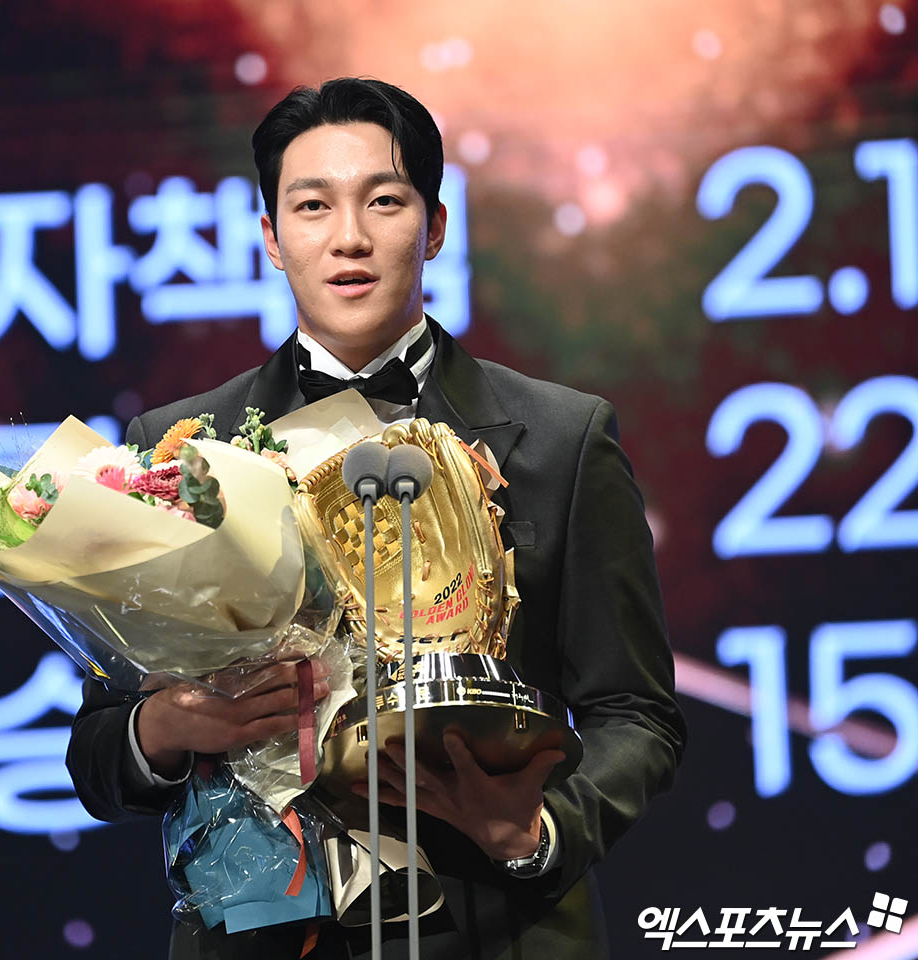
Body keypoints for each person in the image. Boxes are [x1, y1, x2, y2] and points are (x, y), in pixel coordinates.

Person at [67, 77, 686, 959]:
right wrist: (161, 729)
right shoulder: (178, 448)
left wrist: (535, 832)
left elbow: (636, 711)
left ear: (434, 227)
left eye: (384, 201)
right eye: (312, 206)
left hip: (496, 928)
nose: (349, 237)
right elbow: (99, 748)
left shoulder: (561, 440)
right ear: (271, 238)